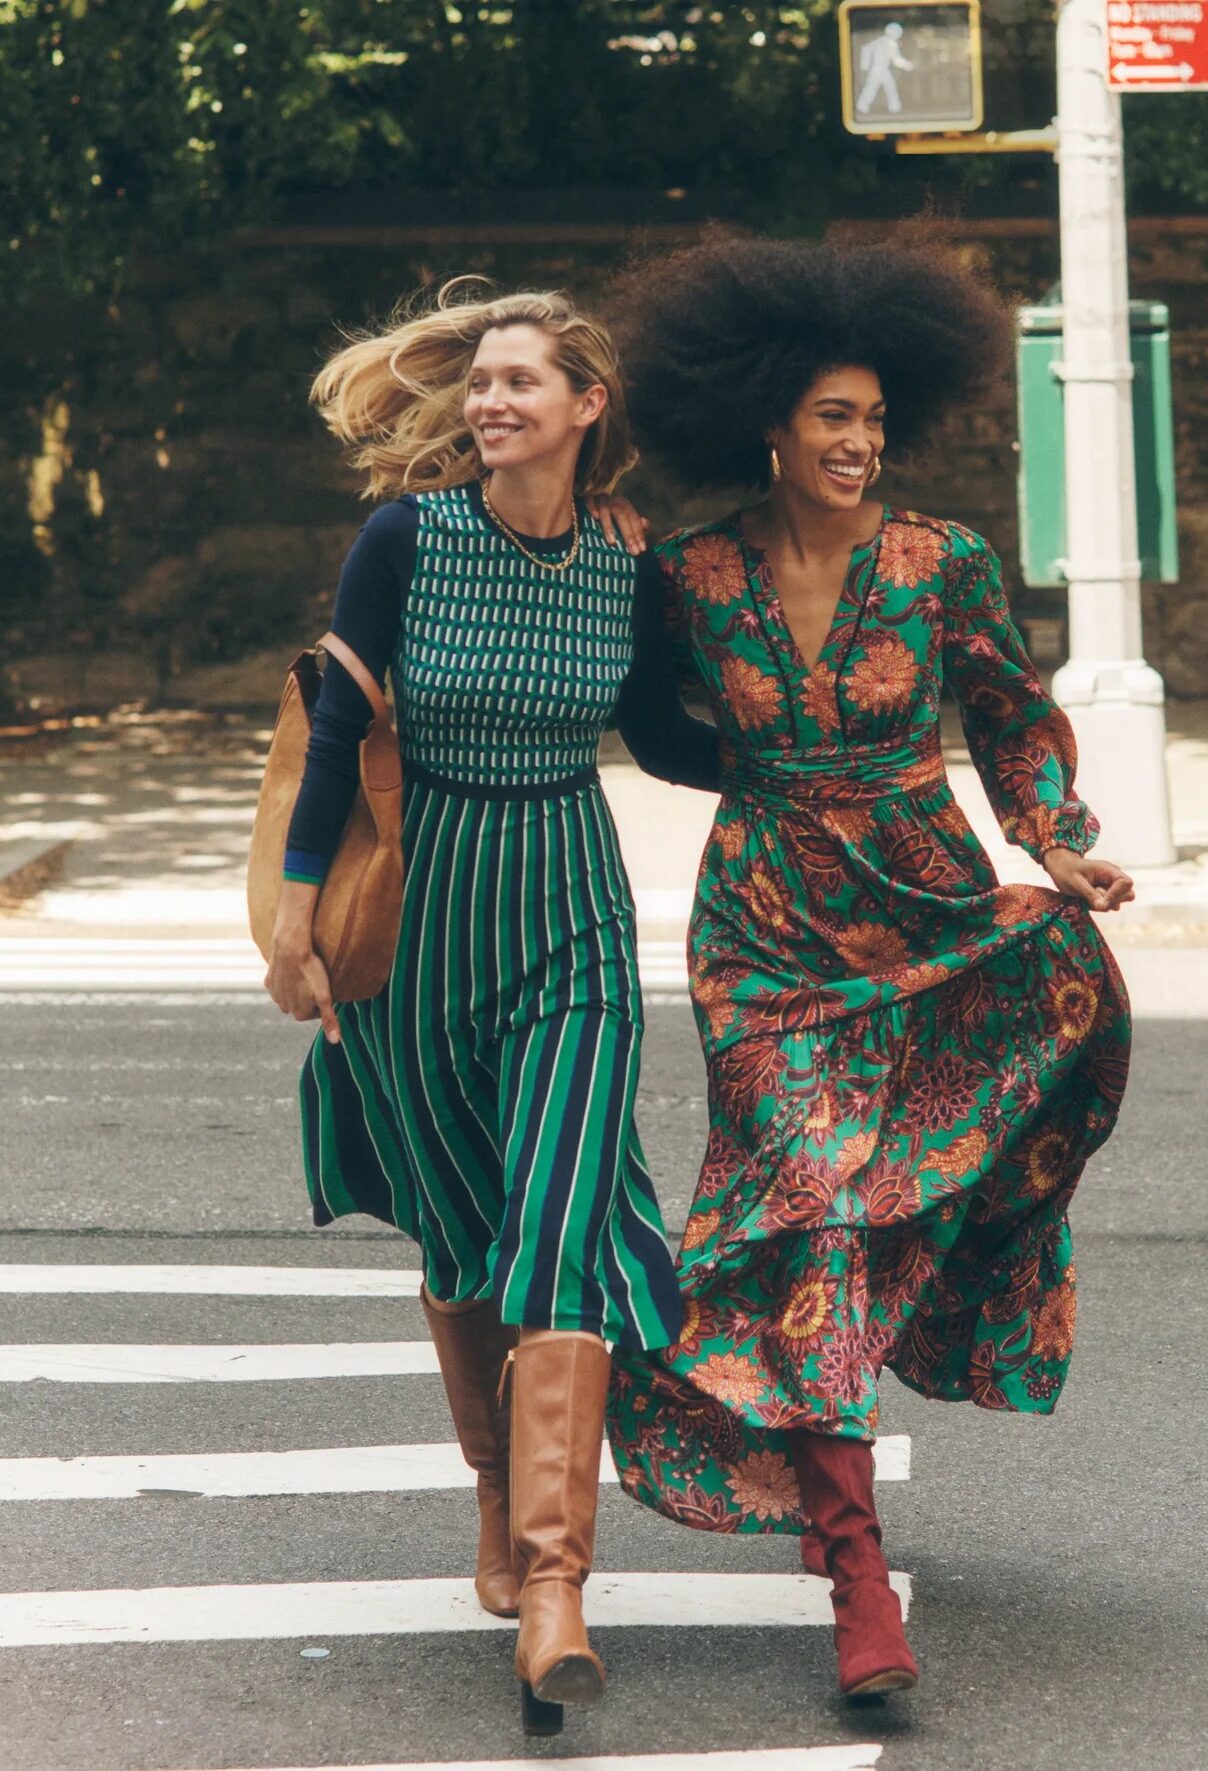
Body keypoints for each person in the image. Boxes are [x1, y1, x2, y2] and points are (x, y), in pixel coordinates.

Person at [601, 236, 1135, 1699]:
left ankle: (852, 1417)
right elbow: (649, 731)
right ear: (770, 419)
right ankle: (856, 1588)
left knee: (882, 1187)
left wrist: (1063, 840)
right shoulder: (690, 572)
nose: (858, 442)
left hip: (928, 911)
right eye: (834, 417)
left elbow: (1013, 716)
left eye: (875, 421)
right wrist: (775, 785)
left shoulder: (943, 563)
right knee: (813, 1210)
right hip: (763, 940)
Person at [263, 279, 719, 1735]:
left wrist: (833, 772)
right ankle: (491, 1488)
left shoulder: (627, 568)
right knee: (466, 1230)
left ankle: (554, 1588)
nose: (490, 400)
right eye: (481, 381)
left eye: (523, 382)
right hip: (422, 917)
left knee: (560, 1227)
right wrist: (292, 913)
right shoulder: (407, 539)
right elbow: (335, 734)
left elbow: (655, 737)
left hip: (573, 910)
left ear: (588, 411)